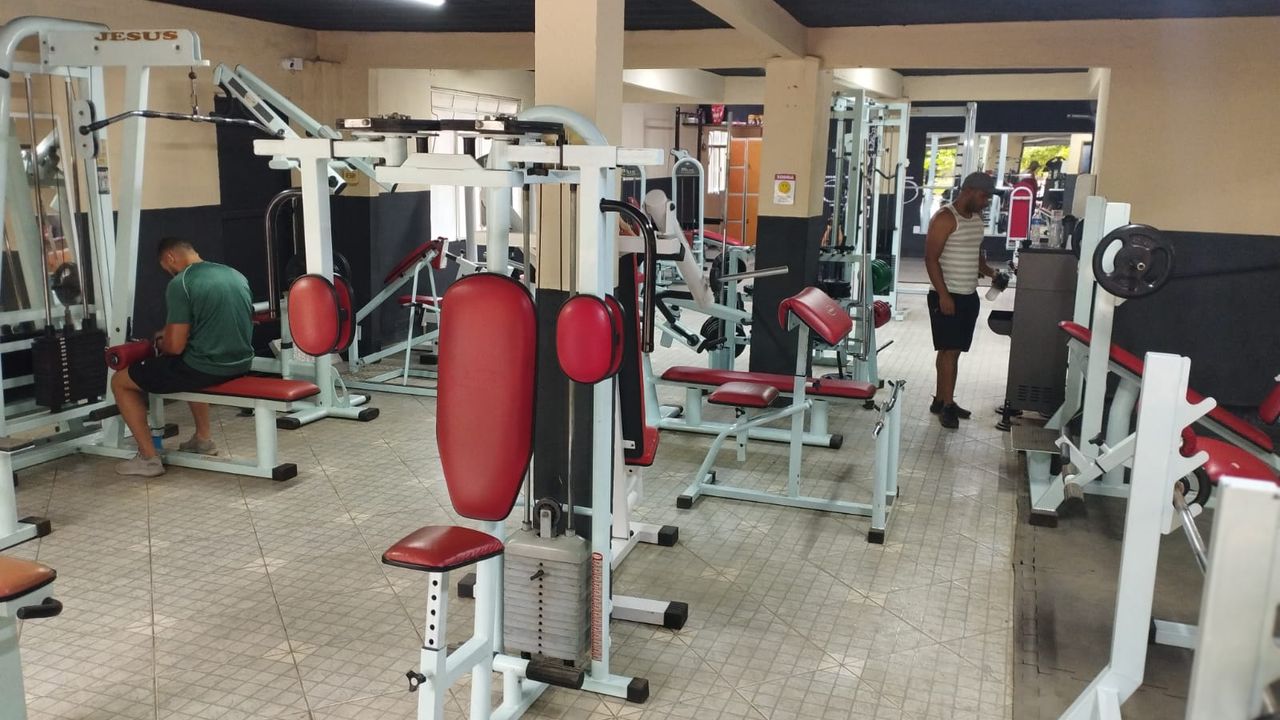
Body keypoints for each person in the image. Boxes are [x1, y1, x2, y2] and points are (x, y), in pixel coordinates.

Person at [110, 237, 254, 476]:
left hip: (206, 368)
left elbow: (175, 348)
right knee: (190, 358)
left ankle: (148, 459)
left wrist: (162, 343)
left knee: (120, 381)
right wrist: (168, 333)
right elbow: (210, 322)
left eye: (166, 268)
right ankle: (203, 439)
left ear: (170, 257)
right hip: (241, 363)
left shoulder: (182, 283)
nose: (169, 273)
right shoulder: (233, 275)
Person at [924, 172, 999, 429]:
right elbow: (931, 259)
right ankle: (947, 406)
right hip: (947, 295)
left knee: (949, 351)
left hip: (968, 295)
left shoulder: (976, 220)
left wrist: (991, 272)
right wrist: (944, 295)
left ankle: (940, 399)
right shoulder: (945, 218)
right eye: (984, 196)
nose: (986, 201)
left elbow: (975, 254)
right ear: (968, 191)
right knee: (950, 352)